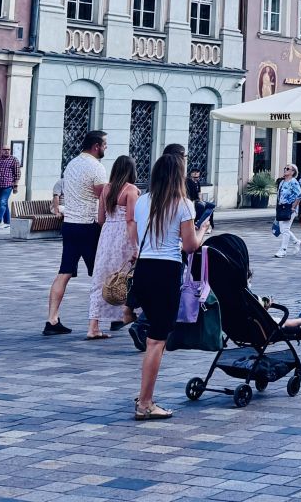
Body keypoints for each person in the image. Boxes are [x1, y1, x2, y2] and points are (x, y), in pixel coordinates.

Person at [131, 150, 211, 420]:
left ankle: (145, 392)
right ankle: (145, 402)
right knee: (157, 341)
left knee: (154, 336)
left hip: (143, 269)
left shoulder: (142, 201)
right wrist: (203, 229)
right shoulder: (183, 204)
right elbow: (190, 246)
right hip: (166, 271)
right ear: (178, 176)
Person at [45, 130, 109, 336]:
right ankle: (105, 322)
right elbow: (103, 198)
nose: (106, 148)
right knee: (101, 275)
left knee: (64, 272)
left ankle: (52, 320)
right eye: (105, 145)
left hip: (70, 224)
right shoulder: (96, 167)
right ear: (96, 146)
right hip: (88, 226)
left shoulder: (71, 164)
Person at [87, 155, 140, 339]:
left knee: (102, 278)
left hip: (107, 235)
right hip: (124, 236)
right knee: (127, 277)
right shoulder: (131, 190)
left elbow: (100, 219)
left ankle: (93, 326)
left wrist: (109, 229)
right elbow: (131, 220)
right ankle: (128, 313)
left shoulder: (106, 189)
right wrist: (135, 246)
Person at [273, 163, 301, 258]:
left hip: (290, 208)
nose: (285, 170)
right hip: (282, 208)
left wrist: (293, 207)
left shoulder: (293, 181)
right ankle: (297, 242)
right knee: (283, 229)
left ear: (292, 172)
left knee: (285, 229)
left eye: (288, 168)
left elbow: (299, 195)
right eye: (285, 168)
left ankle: (283, 250)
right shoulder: (282, 182)